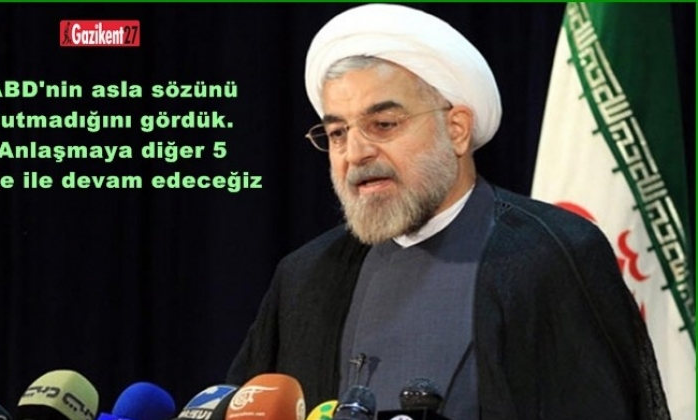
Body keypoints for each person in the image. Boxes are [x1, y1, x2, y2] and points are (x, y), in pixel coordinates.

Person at [226, 4, 669, 419]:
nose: (356, 153)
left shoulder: (550, 255)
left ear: (456, 129)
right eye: (338, 132)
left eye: (383, 125)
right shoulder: (305, 276)